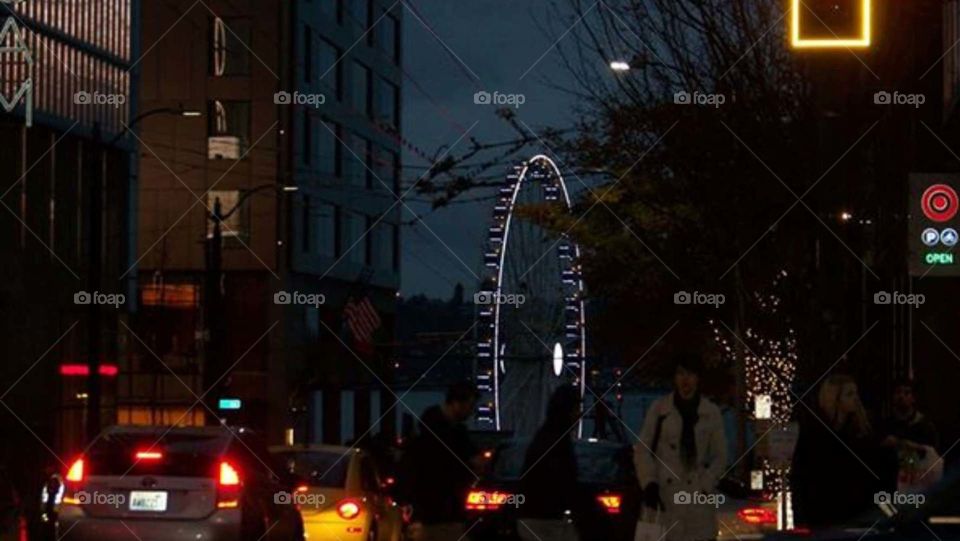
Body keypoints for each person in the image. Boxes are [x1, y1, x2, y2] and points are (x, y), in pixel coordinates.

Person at [635, 354, 728, 541]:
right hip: (665, 497)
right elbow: (642, 450)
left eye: (690, 374)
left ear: (698, 378)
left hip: (698, 499)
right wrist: (649, 483)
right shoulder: (659, 409)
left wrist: (706, 483)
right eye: (680, 374)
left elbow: (720, 455)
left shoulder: (710, 412)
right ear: (674, 378)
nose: (685, 380)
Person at [791, 374, 889, 528]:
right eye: (849, 394)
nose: (855, 399)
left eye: (856, 393)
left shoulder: (860, 432)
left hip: (856, 515)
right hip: (822, 516)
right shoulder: (814, 433)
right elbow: (800, 478)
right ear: (834, 397)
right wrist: (801, 519)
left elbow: (873, 475)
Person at [397, 381, 481, 541]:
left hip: (426, 513)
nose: (471, 412)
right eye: (470, 406)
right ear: (456, 404)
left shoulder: (424, 435)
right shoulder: (455, 437)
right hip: (445, 512)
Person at [519, 386, 583, 541]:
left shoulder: (546, 436)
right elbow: (562, 479)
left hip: (536, 515)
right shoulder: (557, 441)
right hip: (547, 518)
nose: (579, 415)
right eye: (576, 409)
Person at [881, 379, 940, 491]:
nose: (901, 396)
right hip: (890, 483)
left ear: (913, 398)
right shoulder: (886, 424)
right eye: (898, 392)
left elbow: (932, 455)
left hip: (917, 482)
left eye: (906, 393)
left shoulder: (925, 425)